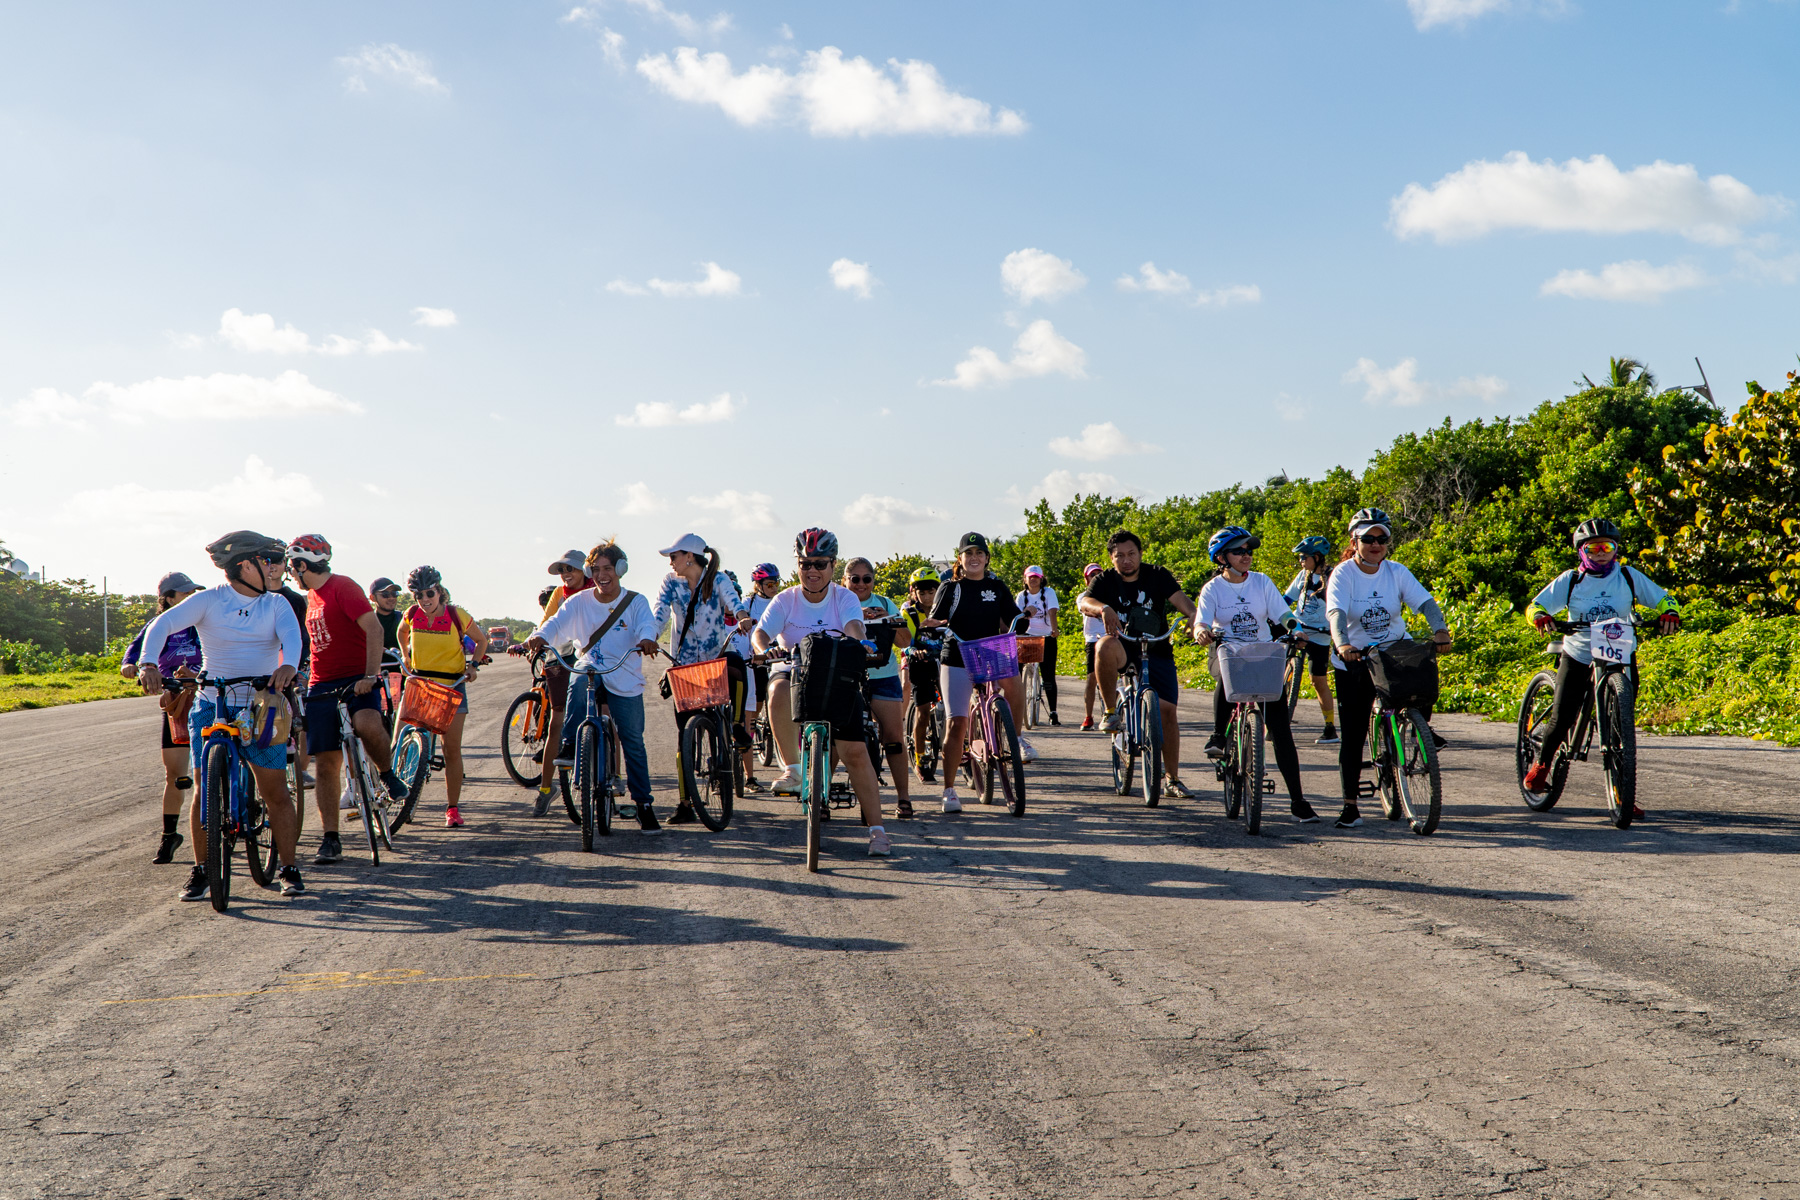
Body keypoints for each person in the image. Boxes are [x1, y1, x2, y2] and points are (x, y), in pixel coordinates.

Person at [136, 531, 308, 899]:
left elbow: (292, 638)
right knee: (203, 790)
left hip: (261, 704)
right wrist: (147, 662)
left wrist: (289, 665)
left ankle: (289, 868)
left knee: (274, 789)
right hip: (212, 702)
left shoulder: (276, 604)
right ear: (246, 566)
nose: (276, 568)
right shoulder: (209, 600)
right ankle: (202, 870)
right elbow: (161, 625)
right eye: (268, 561)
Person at [1522, 517, 1680, 818]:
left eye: (1607, 547)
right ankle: (1542, 763)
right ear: (1582, 552)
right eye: (1593, 549)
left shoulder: (1629, 576)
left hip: (1619, 652)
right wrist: (1541, 617)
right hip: (1579, 651)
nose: (1601, 553)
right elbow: (1534, 606)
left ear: (1616, 549)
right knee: (1563, 715)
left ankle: (1623, 794)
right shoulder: (1570, 580)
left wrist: (1669, 612)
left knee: (1622, 729)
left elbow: (1663, 599)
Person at [751, 527, 890, 856]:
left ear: (832, 565)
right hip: (794, 671)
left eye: (820, 564)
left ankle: (878, 831)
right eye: (805, 564)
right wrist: (764, 649)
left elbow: (854, 625)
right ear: (797, 565)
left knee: (856, 752)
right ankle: (795, 770)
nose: (811, 571)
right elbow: (762, 633)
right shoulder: (786, 599)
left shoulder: (845, 598)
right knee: (778, 688)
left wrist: (858, 641)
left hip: (835, 675)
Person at [1326, 508, 1452, 829]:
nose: (1375, 544)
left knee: (1423, 682)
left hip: (1395, 652)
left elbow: (1425, 603)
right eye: (1368, 538)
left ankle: (1416, 727)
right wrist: (1342, 644)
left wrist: (1440, 630)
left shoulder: (1396, 571)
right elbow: (1336, 614)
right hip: (1355, 657)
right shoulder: (1343, 574)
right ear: (1355, 542)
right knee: (1353, 734)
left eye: (1382, 538)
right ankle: (1350, 806)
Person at [526, 540, 665, 831]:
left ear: (620, 570)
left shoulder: (636, 601)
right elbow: (555, 623)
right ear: (590, 571)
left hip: (624, 673)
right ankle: (569, 744)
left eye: (608, 568)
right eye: (597, 569)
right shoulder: (579, 601)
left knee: (633, 743)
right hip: (592, 665)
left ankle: (644, 804)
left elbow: (647, 625)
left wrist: (647, 639)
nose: (603, 575)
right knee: (580, 674)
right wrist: (539, 636)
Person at [285, 535, 406, 866]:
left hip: (357, 678)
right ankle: (331, 838)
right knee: (326, 763)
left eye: (292, 566)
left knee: (367, 723)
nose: (290, 573)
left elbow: (374, 630)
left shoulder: (343, 587)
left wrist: (369, 676)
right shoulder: (311, 597)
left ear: (302, 564)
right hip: (321, 684)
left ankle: (386, 773)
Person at [1193, 527, 1319, 823]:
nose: (1246, 556)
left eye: (1249, 550)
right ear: (1222, 557)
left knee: (1281, 730)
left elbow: (1282, 614)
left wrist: (1295, 629)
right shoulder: (1213, 589)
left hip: (1262, 655)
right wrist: (1201, 631)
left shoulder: (1262, 582)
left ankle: (1298, 801)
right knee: (1227, 673)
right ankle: (1217, 736)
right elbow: (1201, 620)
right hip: (1227, 653)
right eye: (1239, 551)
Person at [1080, 531, 1199, 797]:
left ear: (1140, 553)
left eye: (1131, 554)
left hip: (1156, 648)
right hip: (1123, 648)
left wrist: (1193, 616)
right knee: (1103, 645)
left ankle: (1172, 780)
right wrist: (1103, 609)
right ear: (1111, 558)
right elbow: (1085, 602)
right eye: (1119, 556)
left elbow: (1182, 601)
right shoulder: (1104, 580)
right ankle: (1111, 711)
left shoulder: (1157, 575)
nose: (1126, 560)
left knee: (1168, 713)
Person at [926, 532, 1034, 813]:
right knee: (957, 723)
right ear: (960, 559)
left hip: (990, 651)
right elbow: (938, 617)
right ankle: (949, 790)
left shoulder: (997, 586)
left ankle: (1016, 738)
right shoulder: (950, 587)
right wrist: (930, 623)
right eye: (968, 553)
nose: (974, 558)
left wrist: (1025, 616)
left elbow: (1013, 619)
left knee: (1013, 682)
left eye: (979, 553)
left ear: (987, 558)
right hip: (958, 654)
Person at [652, 533, 751, 825]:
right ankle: (685, 804)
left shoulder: (718, 580)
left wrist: (743, 617)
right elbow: (659, 613)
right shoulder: (670, 582)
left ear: (690, 557)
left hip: (716, 656)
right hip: (685, 663)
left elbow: (735, 603)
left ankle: (736, 726)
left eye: (674, 556)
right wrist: (648, 636)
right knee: (685, 738)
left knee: (736, 663)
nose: (670, 562)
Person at [120, 571, 203, 864]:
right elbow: (134, 654)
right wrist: (131, 667)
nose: (190, 597)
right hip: (178, 702)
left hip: (209, 697)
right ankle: (170, 836)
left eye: (192, 592)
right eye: (184, 593)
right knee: (176, 775)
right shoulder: (157, 626)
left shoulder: (202, 621)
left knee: (221, 762)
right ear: (167, 598)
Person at [396, 565, 489, 828]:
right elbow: (401, 632)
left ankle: (452, 809)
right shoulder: (412, 613)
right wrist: (405, 654)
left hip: (452, 687)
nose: (424, 600)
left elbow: (482, 641)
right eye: (418, 595)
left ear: (439, 591)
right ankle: (402, 796)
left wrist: (473, 666)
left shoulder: (457, 615)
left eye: (429, 594)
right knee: (404, 742)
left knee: (451, 751)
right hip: (422, 685)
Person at [843, 557, 914, 817]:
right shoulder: (837, 601)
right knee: (837, 740)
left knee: (894, 739)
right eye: (855, 579)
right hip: (847, 676)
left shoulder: (885, 603)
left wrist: (890, 619)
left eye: (866, 579)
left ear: (873, 580)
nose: (861, 584)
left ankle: (903, 798)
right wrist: (854, 619)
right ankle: (822, 798)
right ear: (845, 581)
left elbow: (906, 641)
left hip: (883, 675)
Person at [529, 551, 595, 813]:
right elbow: (547, 622)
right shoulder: (559, 593)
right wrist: (533, 640)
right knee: (557, 721)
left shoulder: (595, 590)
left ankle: (612, 777)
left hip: (589, 657)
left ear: (585, 571)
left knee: (603, 715)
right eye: (562, 570)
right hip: (560, 656)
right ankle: (546, 789)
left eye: (572, 569)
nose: (566, 574)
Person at [1284, 537, 1340, 744]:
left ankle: (1330, 727)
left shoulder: (1334, 576)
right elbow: (1286, 600)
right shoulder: (1303, 576)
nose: (1300, 561)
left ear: (1316, 557)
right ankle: (1274, 723)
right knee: (1280, 676)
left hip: (1321, 636)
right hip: (1299, 631)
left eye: (1303, 557)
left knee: (1319, 681)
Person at [734, 562, 782, 792]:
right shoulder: (747, 604)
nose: (774, 588)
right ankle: (748, 774)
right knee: (751, 715)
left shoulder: (781, 602)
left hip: (777, 661)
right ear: (758, 585)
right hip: (754, 663)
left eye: (776, 583)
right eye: (769, 584)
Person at [899, 567, 944, 779]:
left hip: (945, 662)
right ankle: (919, 756)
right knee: (923, 710)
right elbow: (906, 640)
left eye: (931, 592)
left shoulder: (945, 610)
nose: (926, 596)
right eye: (921, 592)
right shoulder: (909, 613)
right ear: (913, 593)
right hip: (920, 663)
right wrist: (912, 650)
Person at [1016, 565, 1061, 725]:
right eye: (1030, 577)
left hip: (1047, 636)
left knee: (1048, 675)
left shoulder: (1048, 593)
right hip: (1027, 637)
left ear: (1041, 579)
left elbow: (1052, 611)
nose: (1033, 579)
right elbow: (1018, 617)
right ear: (1025, 579)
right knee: (1019, 672)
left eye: (1036, 577)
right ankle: (1019, 709)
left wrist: (1054, 630)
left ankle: (1053, 713)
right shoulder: (1021, 596)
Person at [1078, 563, 1105, 730]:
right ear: (1086, 579)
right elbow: (1086, 610)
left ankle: (1113, 711)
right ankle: (1088, 717)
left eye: (1098, 573)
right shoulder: (1083, 596)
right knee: (1092, 677)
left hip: (1110, 637)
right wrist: (1103, 610)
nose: (1095, 576)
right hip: (1093, 640)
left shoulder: (1111, 593)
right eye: (1091, 574)